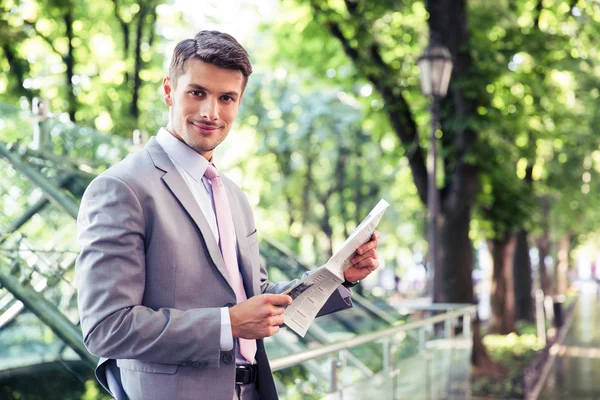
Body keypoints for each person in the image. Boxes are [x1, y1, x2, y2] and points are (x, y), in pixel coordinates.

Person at [75, 30, 381, 400]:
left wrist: (337, 278)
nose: (211, 112)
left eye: (226, 98)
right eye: (197, 93)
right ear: (169, 91)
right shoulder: (122, 188)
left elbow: (259, 299)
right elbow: (107, 327)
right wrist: (229, 324)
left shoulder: (234, 195)